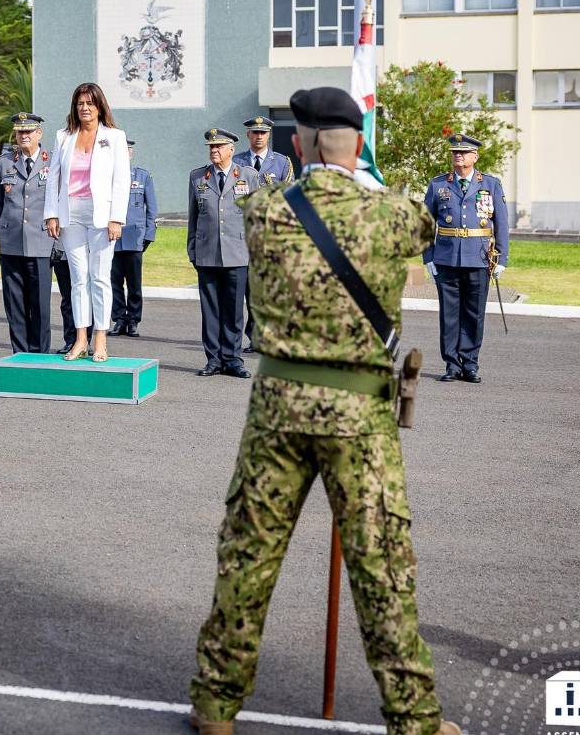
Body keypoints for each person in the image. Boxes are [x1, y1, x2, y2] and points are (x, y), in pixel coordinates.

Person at [188, 87, 460, 735]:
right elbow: (424, 227)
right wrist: (368, 181)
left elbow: (262, 211)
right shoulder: (393, 214)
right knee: (382, 566)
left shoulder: (264, 210)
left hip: (278, 406)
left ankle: (216, 703)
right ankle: (414, 717)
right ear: (358, 145)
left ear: (297, 143)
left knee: (249, 554)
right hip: (359, 413)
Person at [42, 82, 131, 363]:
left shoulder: (114, 137)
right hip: (71, 213)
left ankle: (100, 339)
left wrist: (116, 218)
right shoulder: (64, 136)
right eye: (80, 103)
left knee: (100, 277)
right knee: (78, 279)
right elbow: (53, 178)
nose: (85, 108)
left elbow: (122, 180)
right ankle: (80, 339)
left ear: (99, 107)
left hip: (102, 215)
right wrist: (51, 213)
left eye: (90, 103)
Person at [422, 133, 508, 384]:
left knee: (474, 313)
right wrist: (428, 257)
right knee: (449, 315)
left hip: (479, 258)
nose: (458, 156)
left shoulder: (490, 184)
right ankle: (452, 364)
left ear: (475, 157)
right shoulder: (438, 185)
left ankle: (469, 364)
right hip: (446, 258)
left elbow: (501, 223)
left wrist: (501, 258)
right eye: (454, 153)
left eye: (463, 152)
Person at [188, 129, 261, 378]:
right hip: (207, 252)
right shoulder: (198, 176)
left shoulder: (248, 176)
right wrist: (192, 250)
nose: (214, 150)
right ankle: (214, 360)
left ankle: (233, 359)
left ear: (231, 149)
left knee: (234, 310)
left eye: (219, 146)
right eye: (211, 147)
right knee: (210, 311)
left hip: (238, 253)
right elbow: (194, 217)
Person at [232, 115, 295, 353]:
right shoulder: (236, 161)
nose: (259, 136)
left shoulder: (282, 163)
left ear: (269, 135)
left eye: (263, 132)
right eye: (255, 132)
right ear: (248, 134)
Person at [0, 112, 53, 354]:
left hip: (41, 242)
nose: (24, 135)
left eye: (28, 131)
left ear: (39, 133)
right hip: (11, 243)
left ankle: (39, 356)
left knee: (40, 305)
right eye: (20, 132)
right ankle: (19, 354)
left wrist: (59, 243)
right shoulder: (5, 162)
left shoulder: (53, 161)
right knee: (14, 304)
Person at [110, 139, 157, 338]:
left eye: (126, 151)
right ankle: (119, 319)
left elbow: (151, 208)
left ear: (131, 154)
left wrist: (149, 234)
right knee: (114, 282)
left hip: (134, 236)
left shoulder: (142, 176)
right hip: (112, 237)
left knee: (134, 283)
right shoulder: (107, 175)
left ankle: (133, 320)